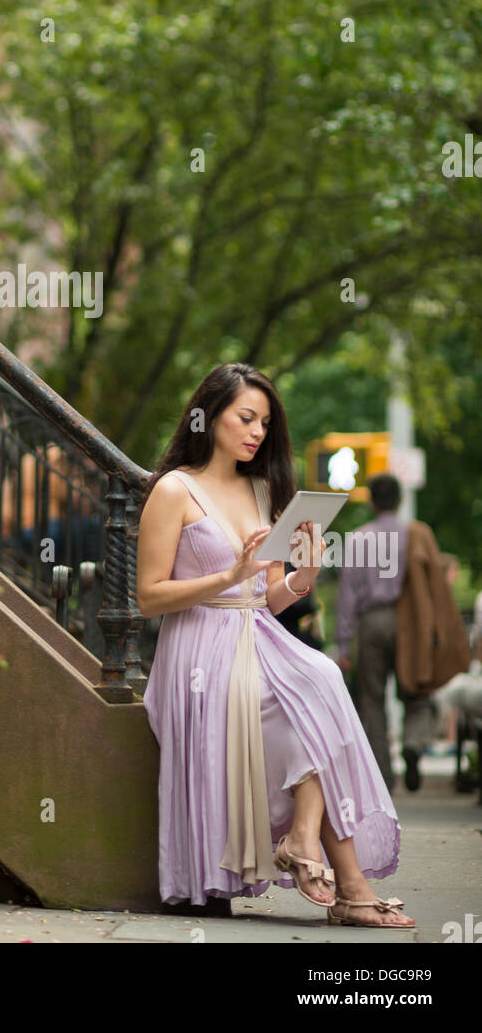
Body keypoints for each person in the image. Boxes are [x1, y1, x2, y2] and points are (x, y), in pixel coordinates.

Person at [137, 362, 415, 929]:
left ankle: (307, 840)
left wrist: (303, 573)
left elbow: (268, 597)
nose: (257, 431)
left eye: (264, 422)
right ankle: (347, 886)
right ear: (210, 415)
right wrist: (227, 574)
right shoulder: (174, 488)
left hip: (254, 633)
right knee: (310, 694)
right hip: (197, 649)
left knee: (324, 680)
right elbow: (148, 597)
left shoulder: (262, 489)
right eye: (245, 417)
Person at [336, 474, 439, 793]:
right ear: (401, 499)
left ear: (371, 501)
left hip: (371, 622)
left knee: (371, 699)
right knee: (416, 690)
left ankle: (382, 775)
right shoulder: (416, 534)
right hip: (409, 621)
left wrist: (344, 645)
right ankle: (413, 744)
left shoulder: (357, 538)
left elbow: (348, 595)